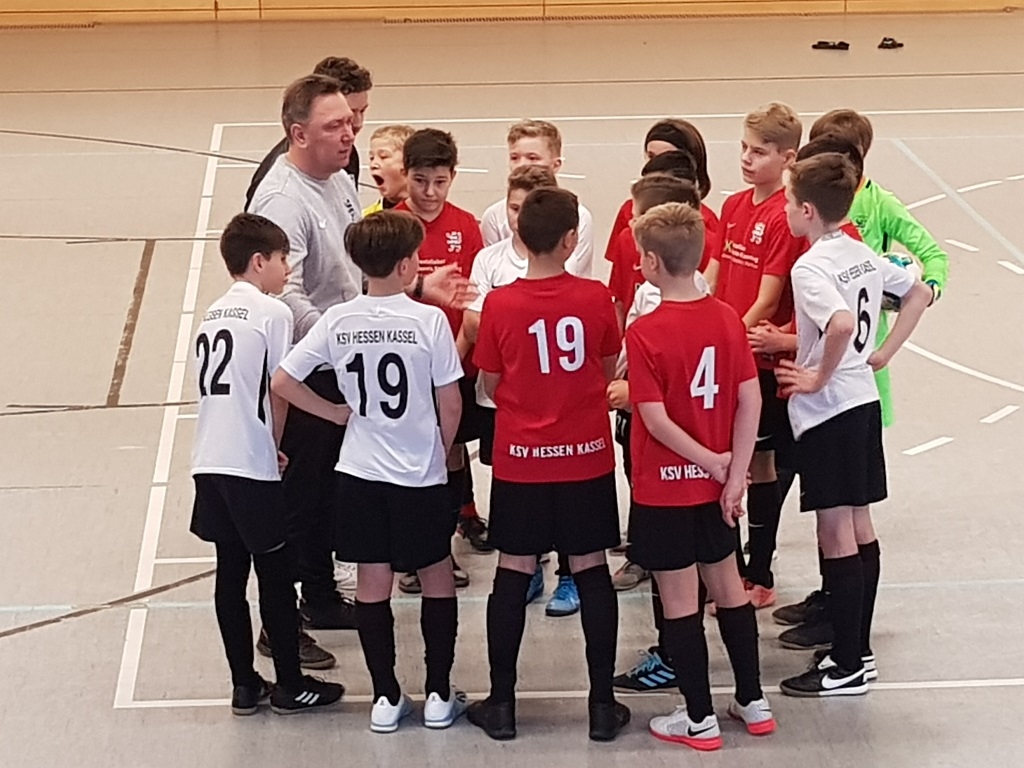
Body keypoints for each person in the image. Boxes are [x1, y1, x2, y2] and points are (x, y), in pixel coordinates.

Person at [249, 74, 473, 666]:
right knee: (300, 498)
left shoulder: (339, 179)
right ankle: (280, 624)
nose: (350, 134)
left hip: (343, 357)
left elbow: (356, 277)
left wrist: (412, 290)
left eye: (351, 123)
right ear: (299, 134)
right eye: (335, 126)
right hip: (316, 367)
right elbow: (284, 295)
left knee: (326, 494)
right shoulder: (284, 200)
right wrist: (345, 336)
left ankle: (321, 596)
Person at [272, 211, 468, 732]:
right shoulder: (427, 321)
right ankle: (439, 694)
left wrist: (335, 413)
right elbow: (450, 402)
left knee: (372, 582)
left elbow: (284, 380)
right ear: (406, 266)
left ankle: (385, 697)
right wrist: (437, 451)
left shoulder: (338, 319)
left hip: (360, 472)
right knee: (436, 576)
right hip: (418, 473)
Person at [772, 109, 950, 649]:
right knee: (859, 523)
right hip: (863, 401)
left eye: (787, 201)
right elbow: (917, 291)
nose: (784, 208)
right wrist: (884, 353)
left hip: (830, 410)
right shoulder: (862, 253)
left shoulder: (811, 267)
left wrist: (815, 377)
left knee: (834, 531)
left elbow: (841, 323)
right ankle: (857, 647)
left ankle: (848, 657)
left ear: (806, 211)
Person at [467, 188, 630, 742]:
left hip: (522, 460)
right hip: (585, 456)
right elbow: (606, 368)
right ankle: (602, 705)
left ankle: (503, 703)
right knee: (590, 567)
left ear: (518, 235)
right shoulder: (595, 297)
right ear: (571, 239)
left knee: (513, 569)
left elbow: (489, 383)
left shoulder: (500, 304)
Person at [625, 202, 773, 750]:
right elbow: (750, 399)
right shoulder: (729, 318)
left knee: (680, 602)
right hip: (716, 488)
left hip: (665, 488)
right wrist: (733, 472)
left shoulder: (645, 332)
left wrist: (709, 461)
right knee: (729, 588)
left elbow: (654, 418)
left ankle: (698, 717)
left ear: (651, 262)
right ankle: (752, 700)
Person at [189, 213, 344, 716]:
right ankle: (291, 684)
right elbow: (280, 386)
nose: (287, 269)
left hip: (209, 458)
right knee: (276, 573)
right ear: (259, 262)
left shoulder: (212, 313)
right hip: (249, 463)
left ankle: (243, 684)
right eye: (282, 259)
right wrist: (292, 435)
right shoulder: (272, 312)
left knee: (230, 573)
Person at [463, 164, 582, 614]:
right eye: (511, 208)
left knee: (566, 499)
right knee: (515, 493)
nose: (517, 218)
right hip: (507, 406)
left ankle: (568, 574)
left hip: (559, 403)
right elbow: (474, 324)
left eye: (524, 209)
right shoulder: (489, 260)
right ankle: (528, 567)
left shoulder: (568, 264)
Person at [703, 102, 805, 610]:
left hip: (755, 360)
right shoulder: (734, 206)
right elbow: (717, 273)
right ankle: (726, 566)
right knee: (726, 459)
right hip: (724, 349)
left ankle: (758, 568)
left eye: (760, 151)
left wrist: (727, 339)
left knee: (760, 463)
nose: (747, 158)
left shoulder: (783, 217)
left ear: (788, 158)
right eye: (744, 148)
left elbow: (767, 298)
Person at [394, 128, 491, 575]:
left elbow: (474, 297)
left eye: (439, 182)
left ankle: (452, 531)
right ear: (405, 175)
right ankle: (421, 552)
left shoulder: (465, 226)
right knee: (419, 457)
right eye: (419, 181)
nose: (430, 192)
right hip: (406, 367)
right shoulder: (393, 226)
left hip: (457, 361)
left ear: (453, 176)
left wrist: (457, 353)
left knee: (451, 448)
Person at [245, 56, 372, 211]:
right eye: (336, 123)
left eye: (362, 111)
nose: (358, 124)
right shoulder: (278, 198)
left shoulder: (346, 157)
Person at [479, 119, 593, 276]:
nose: (522, 165)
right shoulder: (494, 216)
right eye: (515, 158)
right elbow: (492, 267)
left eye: (533, 158)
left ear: (556, 165)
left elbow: (571, 271)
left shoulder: (579, 216)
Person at [603, 118, 718, 269]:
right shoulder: (628, 211)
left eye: (668, 156)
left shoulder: (706, 221)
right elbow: (620, 270)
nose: (657, 164)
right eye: (651, 156)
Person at [363, 124, 415, 216]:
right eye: (371, 158)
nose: (373, 164)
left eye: (383, 157)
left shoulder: (431, 212)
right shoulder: (367, 217)